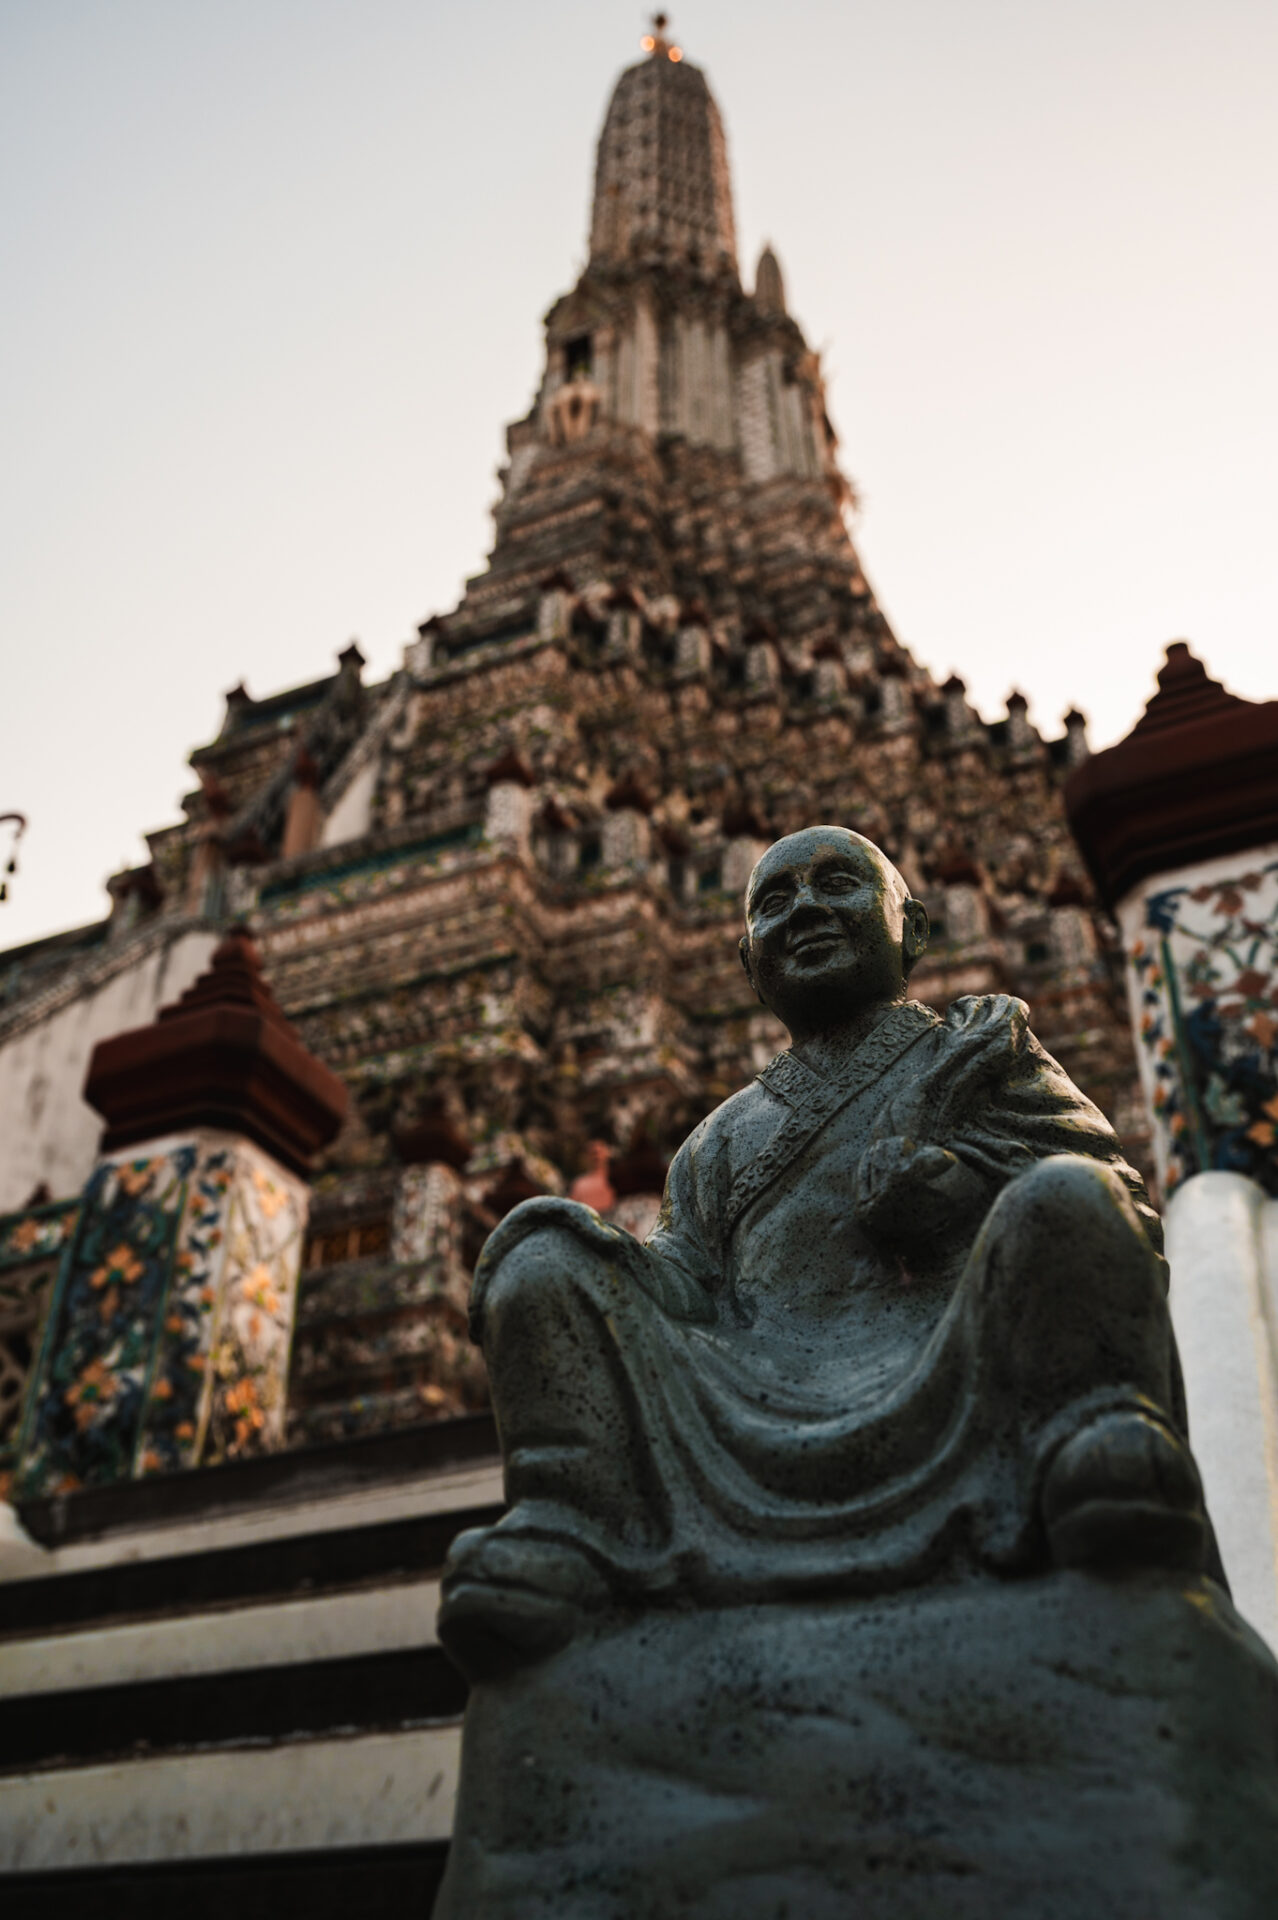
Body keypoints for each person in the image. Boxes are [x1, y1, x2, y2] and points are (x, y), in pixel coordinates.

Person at [439, 826, 1215, 1680]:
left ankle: (1085, 1441)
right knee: (540, 1253)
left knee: (1070, 1197)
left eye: (837, 884)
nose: (805, 908)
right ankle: (570, 1521)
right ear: (746, 962)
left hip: (954, 1362)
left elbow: (1122, 1207)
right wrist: (600, 1267)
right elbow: (690, 1281)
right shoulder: (717, 1139)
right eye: (775, 901)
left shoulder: (983, 1053)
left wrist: (960, 1193)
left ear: (912, 931)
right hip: (747, 1395)